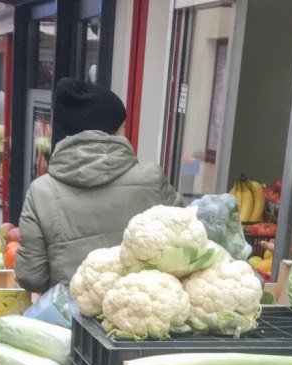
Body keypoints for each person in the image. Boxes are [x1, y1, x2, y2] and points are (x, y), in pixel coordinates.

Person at [15, 78, 182, 293]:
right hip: (143, 317)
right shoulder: (152, 179)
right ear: (113, 129)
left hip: (70, 321)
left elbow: (31, 277)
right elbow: (186, 249)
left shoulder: (40, 192)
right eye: (123, 126)